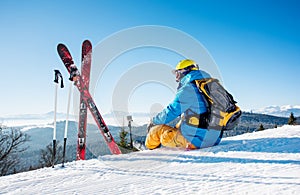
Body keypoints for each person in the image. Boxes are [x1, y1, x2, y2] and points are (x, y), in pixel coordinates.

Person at [145, 59, 222, 150]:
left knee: (156, 130)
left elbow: (172, 111)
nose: (176, 77)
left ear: (183, 72)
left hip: (197, 141)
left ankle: (149, 149)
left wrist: (154, 121)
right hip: (214, 138)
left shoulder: (189, 88)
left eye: (177, 73)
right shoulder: (210, 86)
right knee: (182, 120)